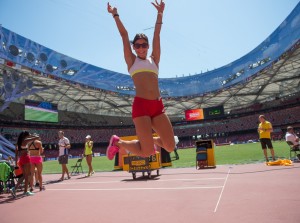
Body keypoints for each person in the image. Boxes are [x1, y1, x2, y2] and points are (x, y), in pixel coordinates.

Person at [106, 0, 175, 160]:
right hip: (141, 106)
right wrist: (115, 15)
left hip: (157, 107)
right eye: (138, 45)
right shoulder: (132, 61)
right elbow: (124, 35)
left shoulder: (154, 60)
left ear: (148, 46)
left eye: (144, 45)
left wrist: (160, 13)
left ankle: (147, 141)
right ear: (134, 48)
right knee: (146, 152)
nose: (141, 48)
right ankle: (118, 143)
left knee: (170, 147)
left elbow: (157, 34)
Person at [11, 131, 39, 197]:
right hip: (26, 158)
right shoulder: (26, 140)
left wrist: (15, 164)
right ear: (26, 135)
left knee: (24, 175)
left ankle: (14, 189)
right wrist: (32, 135)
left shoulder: (18, 143)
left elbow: (16, 155)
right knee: (28, 175)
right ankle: (25, 191)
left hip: (21, 159)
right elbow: (37, 137)